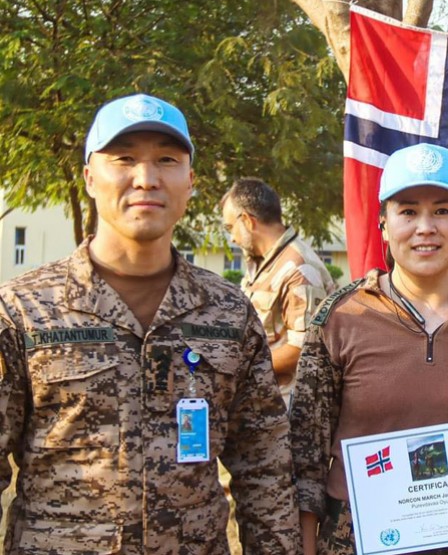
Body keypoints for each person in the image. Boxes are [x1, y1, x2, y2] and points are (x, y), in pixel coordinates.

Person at [0, 93, 298, 553]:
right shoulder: (25, 311)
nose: (146, 179)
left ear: (190, 181)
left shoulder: (227, 313)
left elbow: (265, 468)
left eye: (166, 160)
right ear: (89, 178)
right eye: (124, 159)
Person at [290, 142, 448, 555]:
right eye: (407, 211)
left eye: (443, 210)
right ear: (384, 225)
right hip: (355, 544)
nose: (425, 227)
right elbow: (304, 458)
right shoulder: (340, 319)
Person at [220, 178, 335, 407]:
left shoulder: (299, 268)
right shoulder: (262, 264)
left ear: (247, 221)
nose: (232, 238)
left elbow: (303, 349)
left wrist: (236, 367)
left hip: (287, 410)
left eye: (230, 228)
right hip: (260, 401)